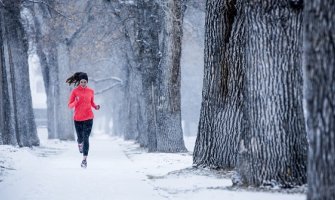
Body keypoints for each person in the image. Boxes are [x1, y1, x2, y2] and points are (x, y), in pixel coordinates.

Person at [66, 72, 100, 168]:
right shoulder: (75, 92)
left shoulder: (91, 91)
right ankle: (79, 143)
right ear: (79, 82)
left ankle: (84, 159)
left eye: (85, 82)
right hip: (78, 119)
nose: (83, 83)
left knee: (86, 138)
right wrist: (76, 101)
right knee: (80, 138)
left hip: (89, 118)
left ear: (87, 82)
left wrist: (96, 106)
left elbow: (92, 102)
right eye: (81, 82)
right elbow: (69, 106)